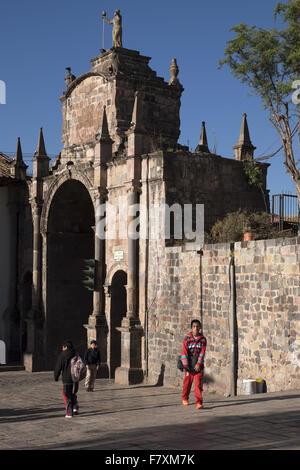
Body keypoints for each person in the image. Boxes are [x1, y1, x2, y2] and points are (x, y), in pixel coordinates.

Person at [181, 319, 207, 409]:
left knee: (198, 385)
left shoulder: (203, 340)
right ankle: (185, 398)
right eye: (194, 327)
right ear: (191, 328)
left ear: (200, 328)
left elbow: (202, 353)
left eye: (197, 326)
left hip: (198, 366)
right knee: (187, 383)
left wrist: (198, 364)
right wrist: (186, 365)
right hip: (189, 365)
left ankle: (199, 402)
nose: (196, 328)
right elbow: (184, 352)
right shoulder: (187, 339)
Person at [54, 340, 79, 418]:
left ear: (66, 347)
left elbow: (58, 367)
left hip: (67, 378)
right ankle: (75, 407)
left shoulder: (62, 355)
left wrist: (56, 377)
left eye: (63, 347)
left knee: (66, 395)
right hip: (75, 377)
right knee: (73, 393)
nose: (62, 348)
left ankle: (69, 413)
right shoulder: (76, 354)